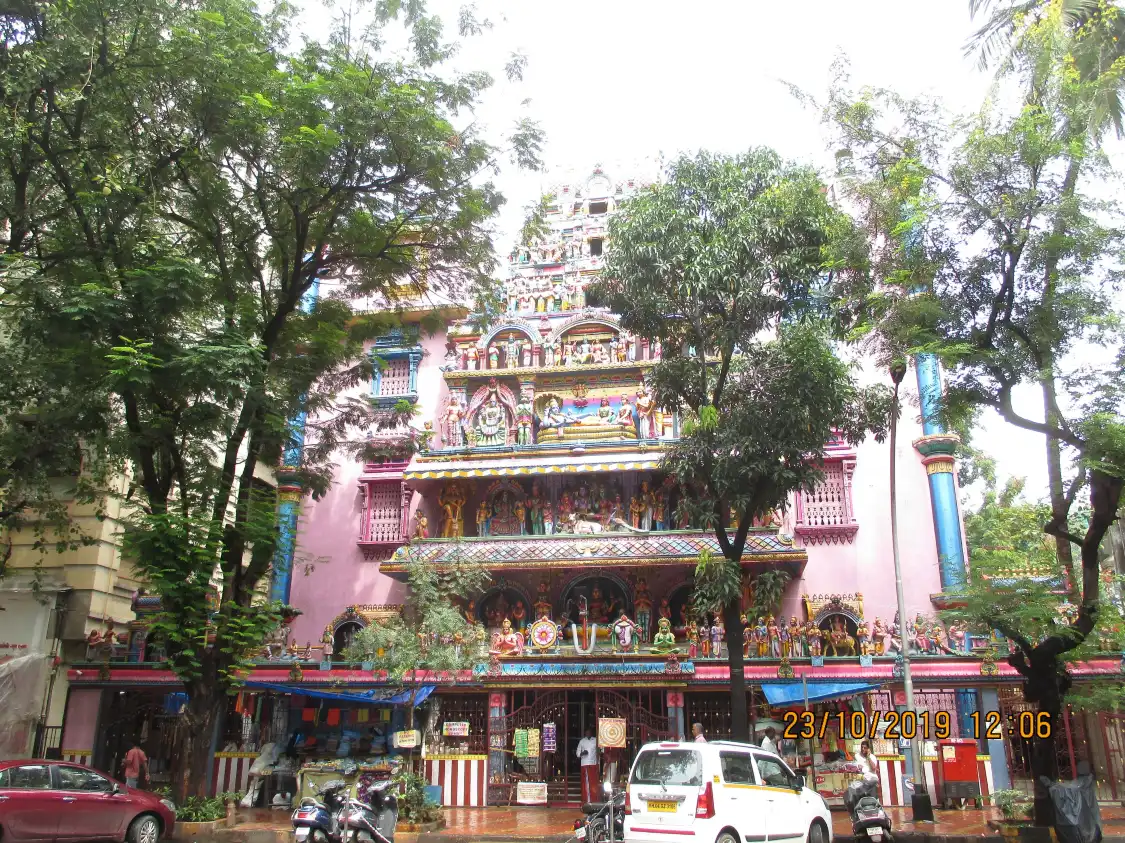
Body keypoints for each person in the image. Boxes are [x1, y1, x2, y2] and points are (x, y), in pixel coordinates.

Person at [846, 739, 880, 813]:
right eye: (862, 747)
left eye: (865, 748)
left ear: (868, 749)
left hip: (871, 780)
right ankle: (856, 811)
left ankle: (875, 809)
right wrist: (858, 767)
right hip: (861, 779)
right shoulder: (857, 756)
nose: (863, 749)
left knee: (873, 793)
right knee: (852, 790)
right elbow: (854, 765)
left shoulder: (872, 757)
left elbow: (874, 768)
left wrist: (868, 757)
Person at [577, 728, 600, 803]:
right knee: (586, 783)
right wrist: (582, 753)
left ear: (591, 733)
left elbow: (601, 750)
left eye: (589, 732)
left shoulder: (596, 740)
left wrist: (599, 753)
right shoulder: (582, 741)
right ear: (585, 734)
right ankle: (587, 800)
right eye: (587, 733)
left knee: (594, 783)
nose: (588, 734)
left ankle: (594, 800)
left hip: (594, 764)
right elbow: (577, 753)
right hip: (585, 764)